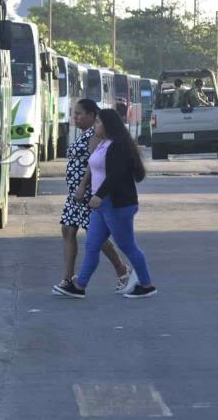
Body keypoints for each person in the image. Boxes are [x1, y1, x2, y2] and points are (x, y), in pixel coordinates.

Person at [64, 109, 157, 299]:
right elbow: (95, 167)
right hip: (101, 206)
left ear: (108, 125)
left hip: (117, 204)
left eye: (98, 122)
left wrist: (99, 195)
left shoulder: (118, 146)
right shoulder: (103, 144)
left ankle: (147, 284)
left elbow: (116, 175)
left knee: (127, 245)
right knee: (92, 244)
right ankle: (79, 286)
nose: (95, 125)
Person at [53, 99, 133, 297]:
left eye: (79, 113)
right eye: (74, 113)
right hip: (75, 195)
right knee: (68, 230)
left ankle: (122, 270)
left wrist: (83, 187)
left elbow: (93, 164)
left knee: (96, 237)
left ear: (91, 115)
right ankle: (67, 278)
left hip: (87, 194)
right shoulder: (84, 134)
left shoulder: (95, 136)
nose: (75, 117)